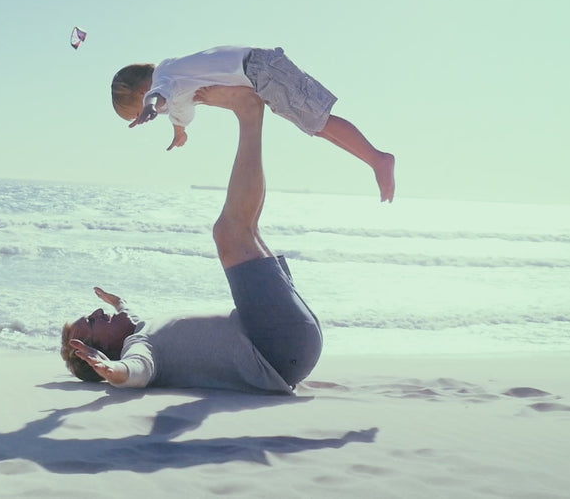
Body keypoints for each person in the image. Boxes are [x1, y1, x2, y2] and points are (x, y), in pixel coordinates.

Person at [61, 85, 323, 394]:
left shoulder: (142, 328)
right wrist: (110, 370)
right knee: (230, 232)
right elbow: (135, 372)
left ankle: (250, 115)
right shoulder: (139, 347)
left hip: (287, 339)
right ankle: (250, 114)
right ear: (104, 349)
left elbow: (127, 315)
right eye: (92, 323)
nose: (98, 314)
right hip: (275, 347)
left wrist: (117, 302)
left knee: (247, 229)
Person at [111, 46, 395, 202]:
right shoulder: (175, 77)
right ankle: (374, 159)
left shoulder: (165, 77)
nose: (151, 112)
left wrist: (149, 107)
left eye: (137, 109)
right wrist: (179, 130)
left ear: (140, 91)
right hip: (260, 73)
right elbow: (179, 106)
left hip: (260, 70)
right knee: (316, 127)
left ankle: (378, 158)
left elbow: (159, 96)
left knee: (319, 122)